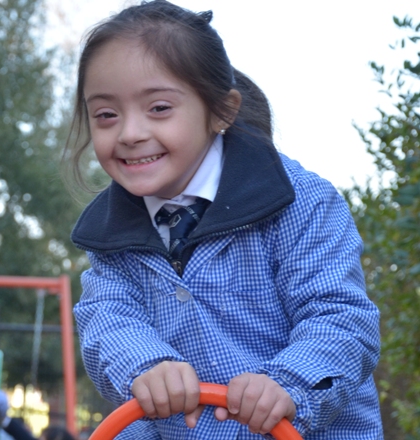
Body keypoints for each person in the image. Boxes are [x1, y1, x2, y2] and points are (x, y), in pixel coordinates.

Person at [67, 1, 382, 439]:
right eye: (106, 115)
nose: (129, 133)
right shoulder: (109, 234)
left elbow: (339, 317)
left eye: (158, 108)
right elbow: (107, 318)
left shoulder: (298, 202)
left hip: (304, 426)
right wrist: (147, 365)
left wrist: (287, 384)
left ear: (221, 111)